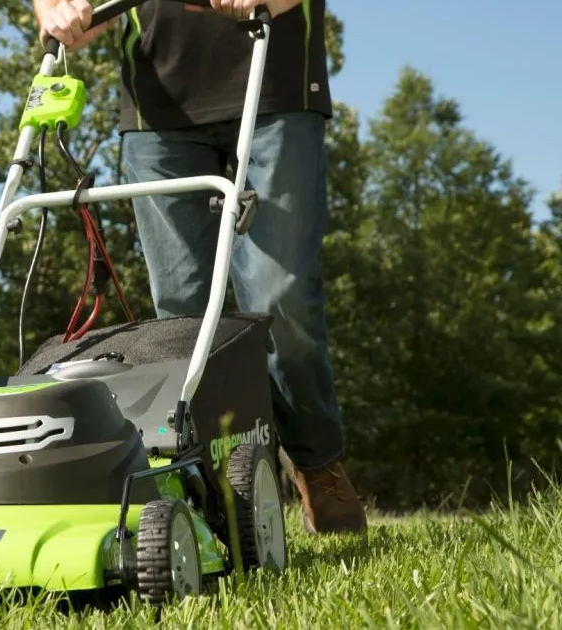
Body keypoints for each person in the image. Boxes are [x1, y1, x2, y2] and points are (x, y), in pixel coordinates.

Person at [31, 0, 367, 535]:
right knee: (182, 319)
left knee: (281, 298)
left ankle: (316, 461)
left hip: (275, 84)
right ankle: (208, 492)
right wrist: (54, 9)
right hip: (158, 107)